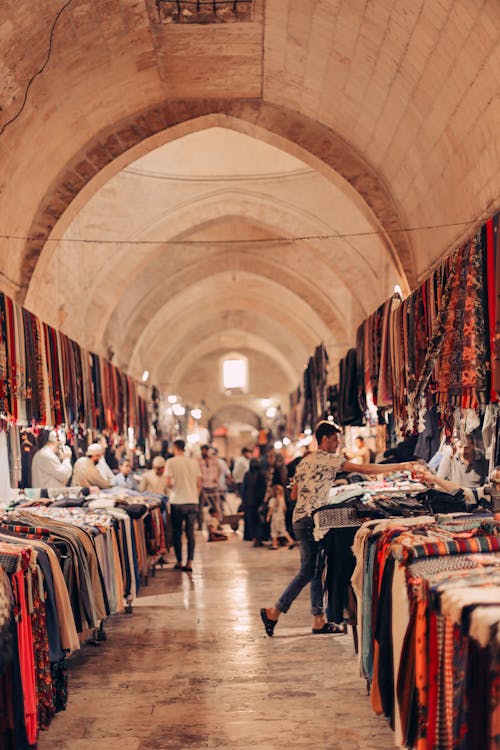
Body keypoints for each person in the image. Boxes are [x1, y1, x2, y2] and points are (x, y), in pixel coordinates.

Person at [260, 419, 416, 636]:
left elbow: (294, 493)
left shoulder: (304, 462)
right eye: (335, 441)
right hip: (311, 520)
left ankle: (318, 619)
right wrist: (401, 466)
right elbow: (364, 468)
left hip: (299, 519)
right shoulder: (330, 459)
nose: (337, 445)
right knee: (307, 570)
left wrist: (324, 485)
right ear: (325, 439)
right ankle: (274, 611)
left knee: (315, 569)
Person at [165, 439, 202, 572]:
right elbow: (199, 484)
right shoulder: (193, 462)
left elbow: (168, 483)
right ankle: (190, 562)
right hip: (192, 501)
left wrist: (173, 485)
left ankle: (179, 561)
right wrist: (194, 496)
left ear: (175, 448)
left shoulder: (170, 462)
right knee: (190, 533)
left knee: (177, 533)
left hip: (177, 502)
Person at [241, 458, 267, 544]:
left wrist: (243, 500)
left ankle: (253, 537)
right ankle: (258, 537)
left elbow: (243, 489)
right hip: (258, 501)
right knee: (259, 520)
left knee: (250, 520)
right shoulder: (262, 474)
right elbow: (263, 488)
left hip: (249, 501)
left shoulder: (247, 474)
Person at [267, 485, 296, 550]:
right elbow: (285, 509)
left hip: (275, 518)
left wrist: (268, 516)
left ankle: (276, 544)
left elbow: (271, 509)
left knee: (274, 530)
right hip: (281, 517)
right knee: (282, 530)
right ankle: (289, 541)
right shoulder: (282, 499)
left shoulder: (272, 500)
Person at [199, 444, 222, 524]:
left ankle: (218, 522)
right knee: (200, 506)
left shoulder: (214, 459)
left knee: (216, 505)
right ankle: (200, 523)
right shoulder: (199, 460)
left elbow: (220, 469)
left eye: (205, 450)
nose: (203, 452)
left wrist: (217, 478)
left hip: (213, 485)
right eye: (202, 450)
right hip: (203, 486)